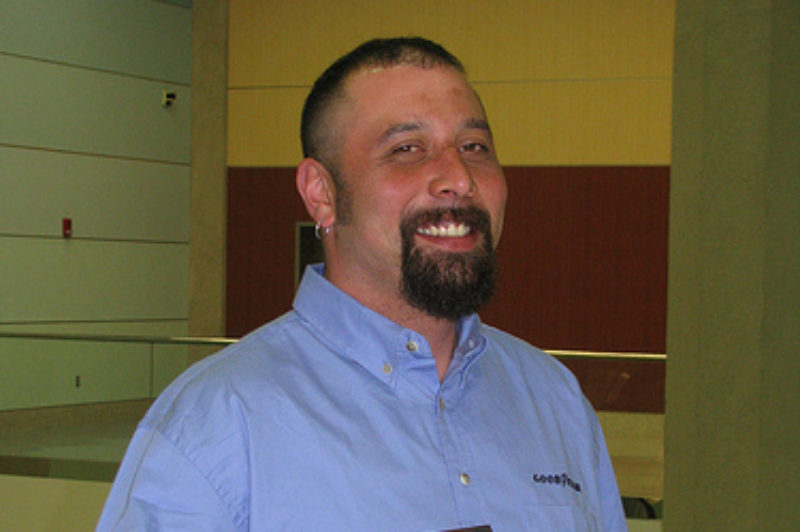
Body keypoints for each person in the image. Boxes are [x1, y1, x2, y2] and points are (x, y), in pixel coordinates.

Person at [97, 37, 626, 531]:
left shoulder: (553, 399)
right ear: (321, 194)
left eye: (474, 146)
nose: (459, 178)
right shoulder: (216, 423)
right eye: (407, 149)